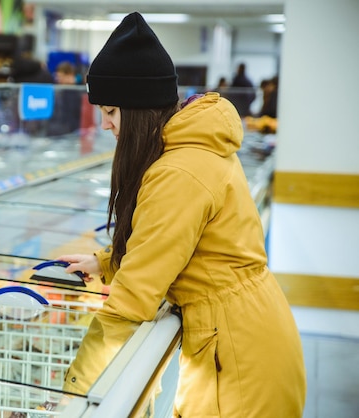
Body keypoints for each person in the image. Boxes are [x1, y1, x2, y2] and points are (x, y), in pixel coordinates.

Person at [57, 12, 306, 417]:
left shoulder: (178, 171)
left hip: (239, 360)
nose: (104, 124)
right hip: (238, 337)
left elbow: (133, 299)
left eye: (111, 111)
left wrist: (76, 392)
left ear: (138, 110)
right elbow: (173, 246)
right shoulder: (190, 150)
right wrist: (104, 261)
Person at [47, 61, 82, 137]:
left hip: (71, 131)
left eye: (61, 76)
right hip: (57, 130)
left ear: (70, 75)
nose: (59, 79)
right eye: (58, 76)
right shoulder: (58, 90)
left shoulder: (77, 91)